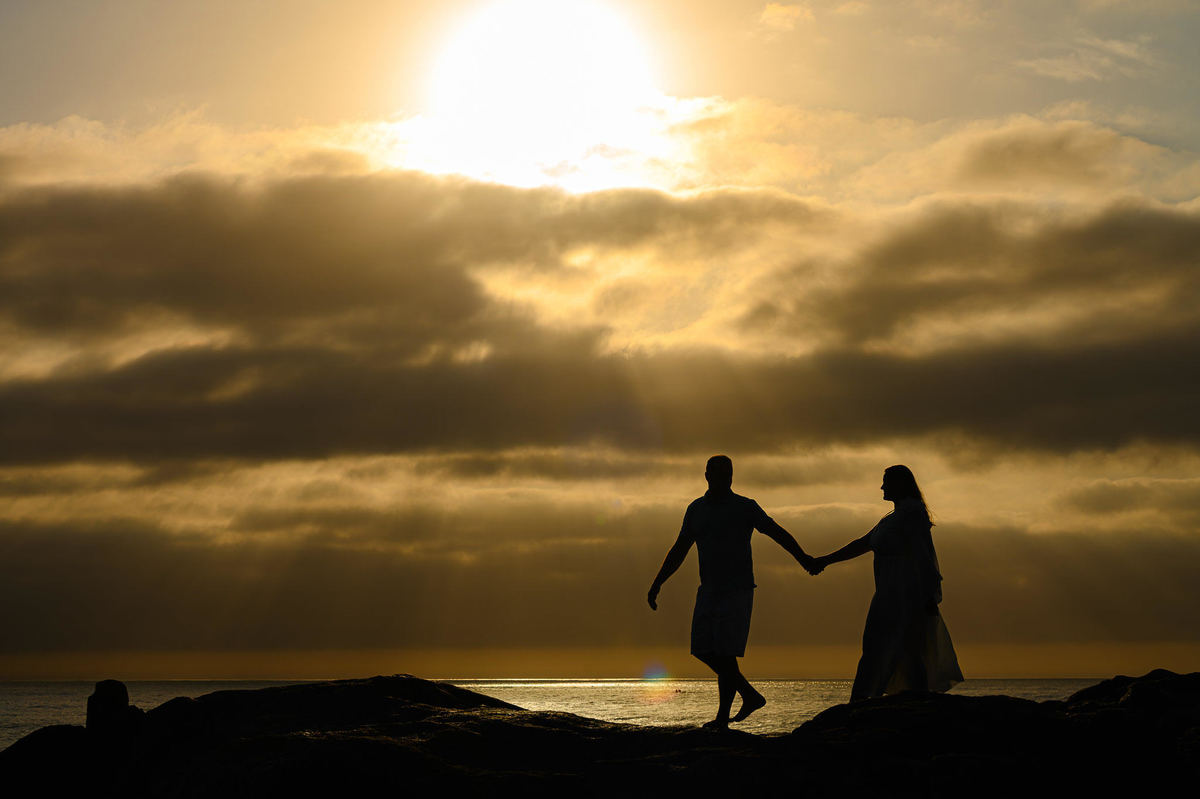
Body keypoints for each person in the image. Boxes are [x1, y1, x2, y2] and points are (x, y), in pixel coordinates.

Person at [647, 455, 819, 728]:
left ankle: (723, 718)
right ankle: (749, 695)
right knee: (703, 649)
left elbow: (777, 532)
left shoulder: (745, 507)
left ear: (732, 477)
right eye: (716, 473)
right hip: (708, 589)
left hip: (737, 590)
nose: (722, 478)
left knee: (725, 652)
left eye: (727, 474)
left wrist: (804, 558)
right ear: (706, 476)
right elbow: (680, 549)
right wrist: (658, 583)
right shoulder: (696, 509)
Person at [811, 465, 963, 701]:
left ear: (900, 484)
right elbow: (864, 543)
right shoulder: (894, 517)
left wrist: (928, 595)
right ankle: (906, 698)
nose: (882, 487)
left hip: (905, 592)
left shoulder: (911, 514)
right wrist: (825, 560)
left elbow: (924, 555)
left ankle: (866, 700)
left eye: (886, 481)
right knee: (897, 649)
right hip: (889, 592)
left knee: (892, 647)